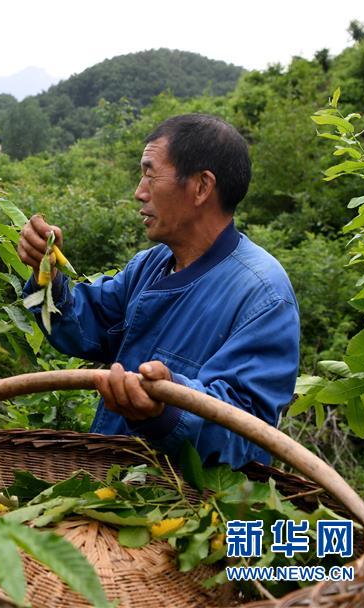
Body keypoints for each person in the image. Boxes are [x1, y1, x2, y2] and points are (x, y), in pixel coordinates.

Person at [18, 114, 300, 468]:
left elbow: (248, 434)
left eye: (151, 174)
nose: (139, 191)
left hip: (189, 507)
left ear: (201, 187)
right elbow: (81, 329)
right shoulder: (151, 265)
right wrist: (46, 276)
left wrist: (166, 408)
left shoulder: (262, 295)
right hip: (112, 488)